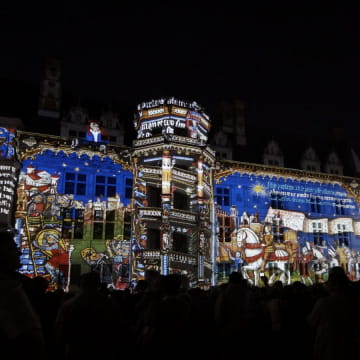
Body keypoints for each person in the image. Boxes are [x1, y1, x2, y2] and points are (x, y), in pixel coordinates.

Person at [0, 230, 47, 359]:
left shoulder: (16, 283)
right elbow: (28, 335)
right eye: (13, 249)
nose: (19, 252)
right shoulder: (10, 288)